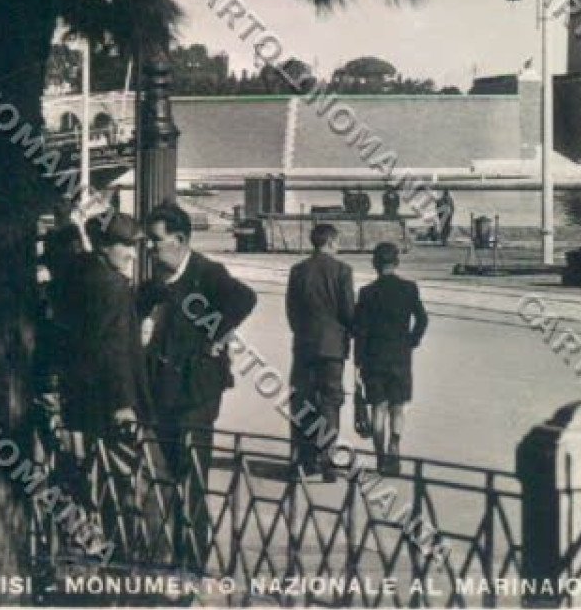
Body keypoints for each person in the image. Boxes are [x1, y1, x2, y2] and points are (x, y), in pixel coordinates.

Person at [139, 202, 256, 566]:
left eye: (155, 240)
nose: (150, 248)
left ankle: (192, 558)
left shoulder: (208, 273)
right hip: (161, 392)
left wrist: (214, 337)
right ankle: (165, 550)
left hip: (196, 393)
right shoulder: (157, 278)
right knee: (166, 473)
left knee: (192, 475)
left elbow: (245, 299)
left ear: (181, 239)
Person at [51, 212, 153, 550]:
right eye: (127, 246)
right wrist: (125, 403)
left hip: (80, 397)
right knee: (125, 478)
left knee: (81, 475)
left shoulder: (76, 276)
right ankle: (125, 548)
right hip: (112, 403)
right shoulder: (111, 285)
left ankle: (83, 544)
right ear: (107, 247)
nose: (133, 255)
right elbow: (115, 350)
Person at [285, 224, 356, 480]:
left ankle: (301, 461)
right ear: (331, 242)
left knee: (301, 401)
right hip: (333, 347)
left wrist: (303, 332)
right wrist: (349, 332)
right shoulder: (343, 271)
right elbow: (349, 311)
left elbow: (291, 310)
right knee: (330, 402)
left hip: (304, 344)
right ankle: (327, 460)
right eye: (337, 242)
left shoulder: (298, 270)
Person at [352, 242, 428, 475]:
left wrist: (357, 363)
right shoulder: (409, 288)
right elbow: (422, 319)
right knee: (398, 406)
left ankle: (380, 458)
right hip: (400, 356)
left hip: (374, 358)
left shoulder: (366, 293)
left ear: (375, 264)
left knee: (378, 408)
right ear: (396, 262)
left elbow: (360, 331)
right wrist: (411, 341)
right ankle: (395, 443)